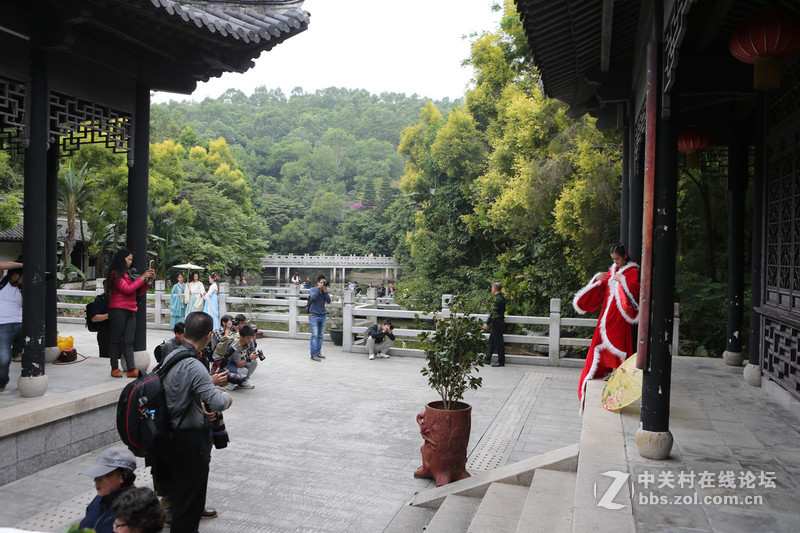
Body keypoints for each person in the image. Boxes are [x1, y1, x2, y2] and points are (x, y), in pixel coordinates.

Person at [154, 311, 232, 533]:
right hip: (188, 439)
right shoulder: (194, 364)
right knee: (190, 503)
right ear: (209, 335)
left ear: (185, 332)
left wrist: (199, 406)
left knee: (182, 496)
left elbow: (176, 392)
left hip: (168, 434)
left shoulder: (171, 355)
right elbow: (217, 401)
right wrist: (227, 398)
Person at [573, 243, 640, 412]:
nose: (615, 262)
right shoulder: (613, 270)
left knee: (619, 343)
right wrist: (596, 280)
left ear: (625, 256)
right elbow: (603, 289)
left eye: (617, 259)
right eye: (613, 260)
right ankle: (607, 370)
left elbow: (636, 292)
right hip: (607, 314)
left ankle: (617, 373)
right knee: (601, 343)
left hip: (620, 315)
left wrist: (623, 281)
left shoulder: (632, 271)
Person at [108, 249, 155, 378]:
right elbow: (127, 289)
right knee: (116, 340)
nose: (130, 262)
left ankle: (131, 369)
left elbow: (136, 292)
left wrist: (148, 281)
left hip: (130, 310)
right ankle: (114, 367)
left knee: (129, 341)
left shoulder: (128, 274)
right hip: (118, 309)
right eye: (128, 259)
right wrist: (143, 277)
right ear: (121, 259)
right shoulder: (115, 274)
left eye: (131, 260)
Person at [77, 447, 137, 533]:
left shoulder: (135, 509)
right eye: (96, 474)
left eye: (104, 475)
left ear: (123, 476)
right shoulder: (100, 499)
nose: (96, 480)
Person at [0, 258, 23, 393]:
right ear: (15, 275)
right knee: (3, 359)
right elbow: (1, 265)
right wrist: (24, 265)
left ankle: (29, 376)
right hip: (3, 326)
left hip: (21, 325)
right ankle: (2, 381)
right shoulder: (2, 283)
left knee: (35, 349)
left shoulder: (25, 289)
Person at [222, 324, 259, 390]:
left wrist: (257, 354)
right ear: (241, 337)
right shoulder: (234, 346)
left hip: (240, 361)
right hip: (228, 365)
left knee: (254, 362)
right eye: (248, 338)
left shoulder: (250, 341)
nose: (250, 340)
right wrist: (249, 358)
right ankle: (230, 382)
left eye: (250, 338)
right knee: (244, 370)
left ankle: (243, 381)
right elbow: (239, 365)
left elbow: (252, 352)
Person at [483, 282, 507, 367]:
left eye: (492, 288)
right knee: (492, 342)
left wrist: (487, 323)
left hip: (497, 323)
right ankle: (487, 359)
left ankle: (501, 361)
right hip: (499, 322)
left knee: (499, 343)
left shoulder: (497, 299)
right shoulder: (502, 298)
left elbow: (494, 312)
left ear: (494, 289)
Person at [308, 275, 331, 362]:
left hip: (323, 315)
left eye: (324, 282)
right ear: (318, 283)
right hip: (313, 315)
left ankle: (318, 352)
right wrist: (319, 289)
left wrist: (325, 292)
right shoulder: (313, 290)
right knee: (314, 335)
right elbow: (313, 298)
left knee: (320, 336)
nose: (323, 284)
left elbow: (329, 301)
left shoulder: (325, 291)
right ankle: (313, 354)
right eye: (321, 282)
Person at [87, 279, 112, 358]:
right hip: (105, 334)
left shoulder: (119, 299)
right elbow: (94, 318)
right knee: (105, 357)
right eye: (106, 287)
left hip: (119, 334)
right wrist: (109, 315)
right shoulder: (100, 300)